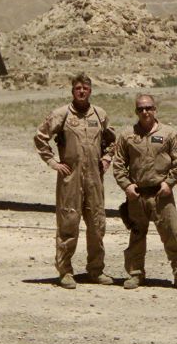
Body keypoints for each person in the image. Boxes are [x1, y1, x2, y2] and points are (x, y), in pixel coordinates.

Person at [34, 73, 116, 289]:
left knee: (97, 224)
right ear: (73, 91)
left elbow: (112, 141)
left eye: (85, 88)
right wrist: (53, 162)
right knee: (68, 224)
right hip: (70, 178)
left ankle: (96, 270)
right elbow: (40, 137)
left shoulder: (99, 115)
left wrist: (107, 158)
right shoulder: (61, 114)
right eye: (78, 88)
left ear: (90, 91)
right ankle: (65, 271)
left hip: (94, 179)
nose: (82, 91)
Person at [113, 94, 177, 292]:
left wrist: (170, 183)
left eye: (148, 108)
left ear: (155, 109)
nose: (145, 112)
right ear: (136, 111)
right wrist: (126, 185)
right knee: (137, 235)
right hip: (137, 194)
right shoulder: (127, 136)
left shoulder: (169, 134)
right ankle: (136, 273)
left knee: (172, 234)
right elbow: (119, 164)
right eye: (140, 109)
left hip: (161, 194)